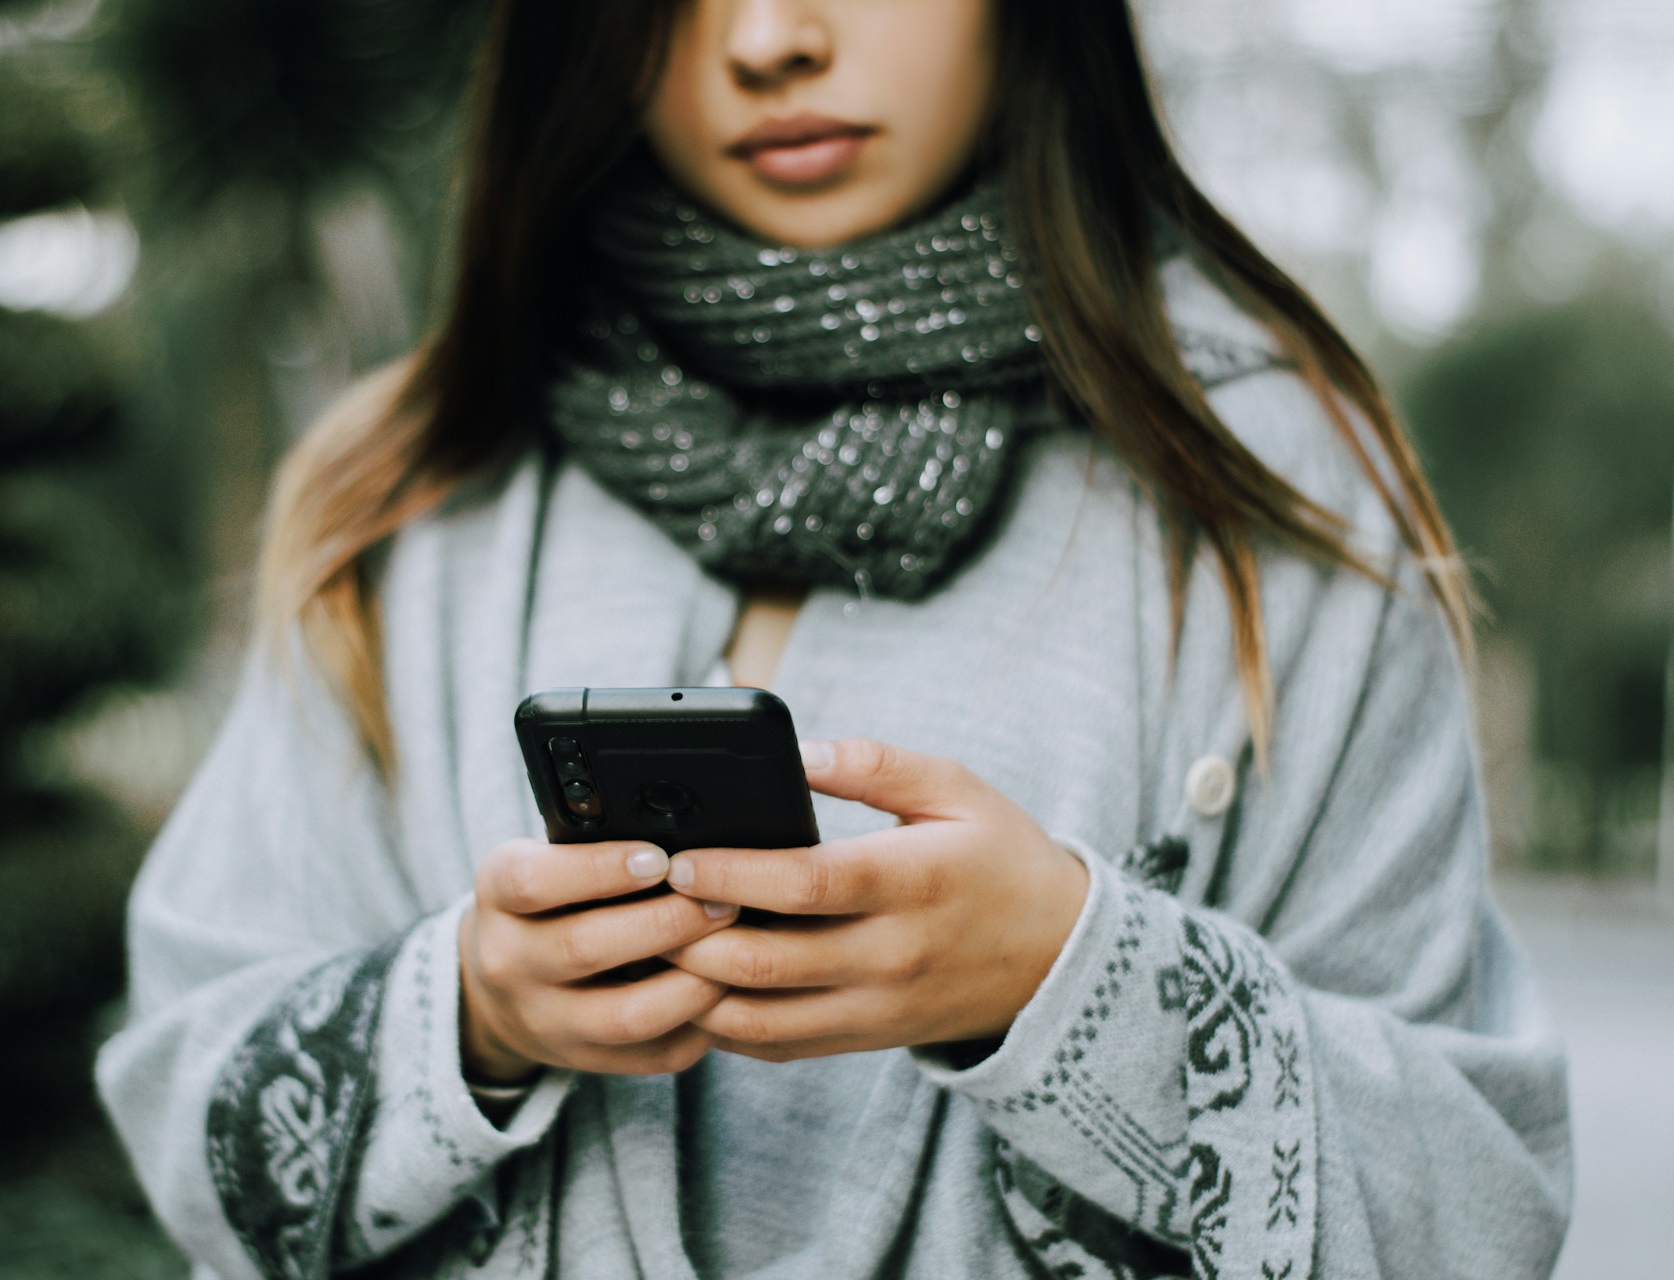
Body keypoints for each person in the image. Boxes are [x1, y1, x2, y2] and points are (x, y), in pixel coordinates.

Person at [95, 1, 1572, 1276]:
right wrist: (470, 1015)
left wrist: (1074, 982)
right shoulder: (413, 487)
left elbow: (1479, 1211)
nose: (768, 42)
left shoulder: (1276, 493)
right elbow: (183, 1099)